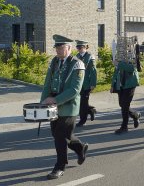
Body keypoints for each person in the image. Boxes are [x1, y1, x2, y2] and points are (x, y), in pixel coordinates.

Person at [40, 35, 88, 180]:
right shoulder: (54, 62)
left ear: (69, 48)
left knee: (60, 137)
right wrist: (42, 102)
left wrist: (55, 100)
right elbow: (47, 84)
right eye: (57, 48)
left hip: (69, 107)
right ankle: (80, 148)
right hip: (54, 106)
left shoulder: (77, 64)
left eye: (61, 48)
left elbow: (74, 90)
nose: (59, 50)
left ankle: (60, 166)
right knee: (60, 135)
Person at [110, 58, 141, 135]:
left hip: (129, 84)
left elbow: (131, 68)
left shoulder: (132, 55)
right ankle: (135, 115)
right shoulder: (119, 57)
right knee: (122, 104)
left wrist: (119, 63)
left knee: (125, 104)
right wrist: (112, 85)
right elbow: (116, 71)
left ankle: (124, 127)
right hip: (120, 85)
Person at [75, 40, 97, 127]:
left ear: (85, 47)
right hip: (78, 84)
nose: (79, 49)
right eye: (78, 47)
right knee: (81, 102)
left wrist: (93, 84)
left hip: (86, 84)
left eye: (81, 47)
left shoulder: (90, 57)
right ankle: (91, 110)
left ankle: (82, 120)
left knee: (83, 103)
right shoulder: (76, 56)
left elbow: (93, 71)